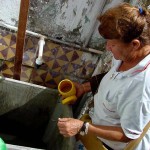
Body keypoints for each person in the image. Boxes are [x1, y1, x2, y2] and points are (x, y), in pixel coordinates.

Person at [57, 3, 150, 150]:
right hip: (97, 129)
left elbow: (128, 134)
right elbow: (114, 77)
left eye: (112, 45)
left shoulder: (140, 88)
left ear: (135, 44)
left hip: (110, 146)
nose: (107, 48)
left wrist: (84, 127)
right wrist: (84, 87)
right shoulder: (129, 56)